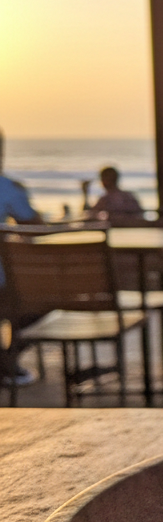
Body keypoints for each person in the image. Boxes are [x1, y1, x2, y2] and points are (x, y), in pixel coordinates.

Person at [0, 129, 43, 385]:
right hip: (3, 288)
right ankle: (8, 360)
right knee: (44, 304)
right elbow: (35, 228)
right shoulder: (7, 187)